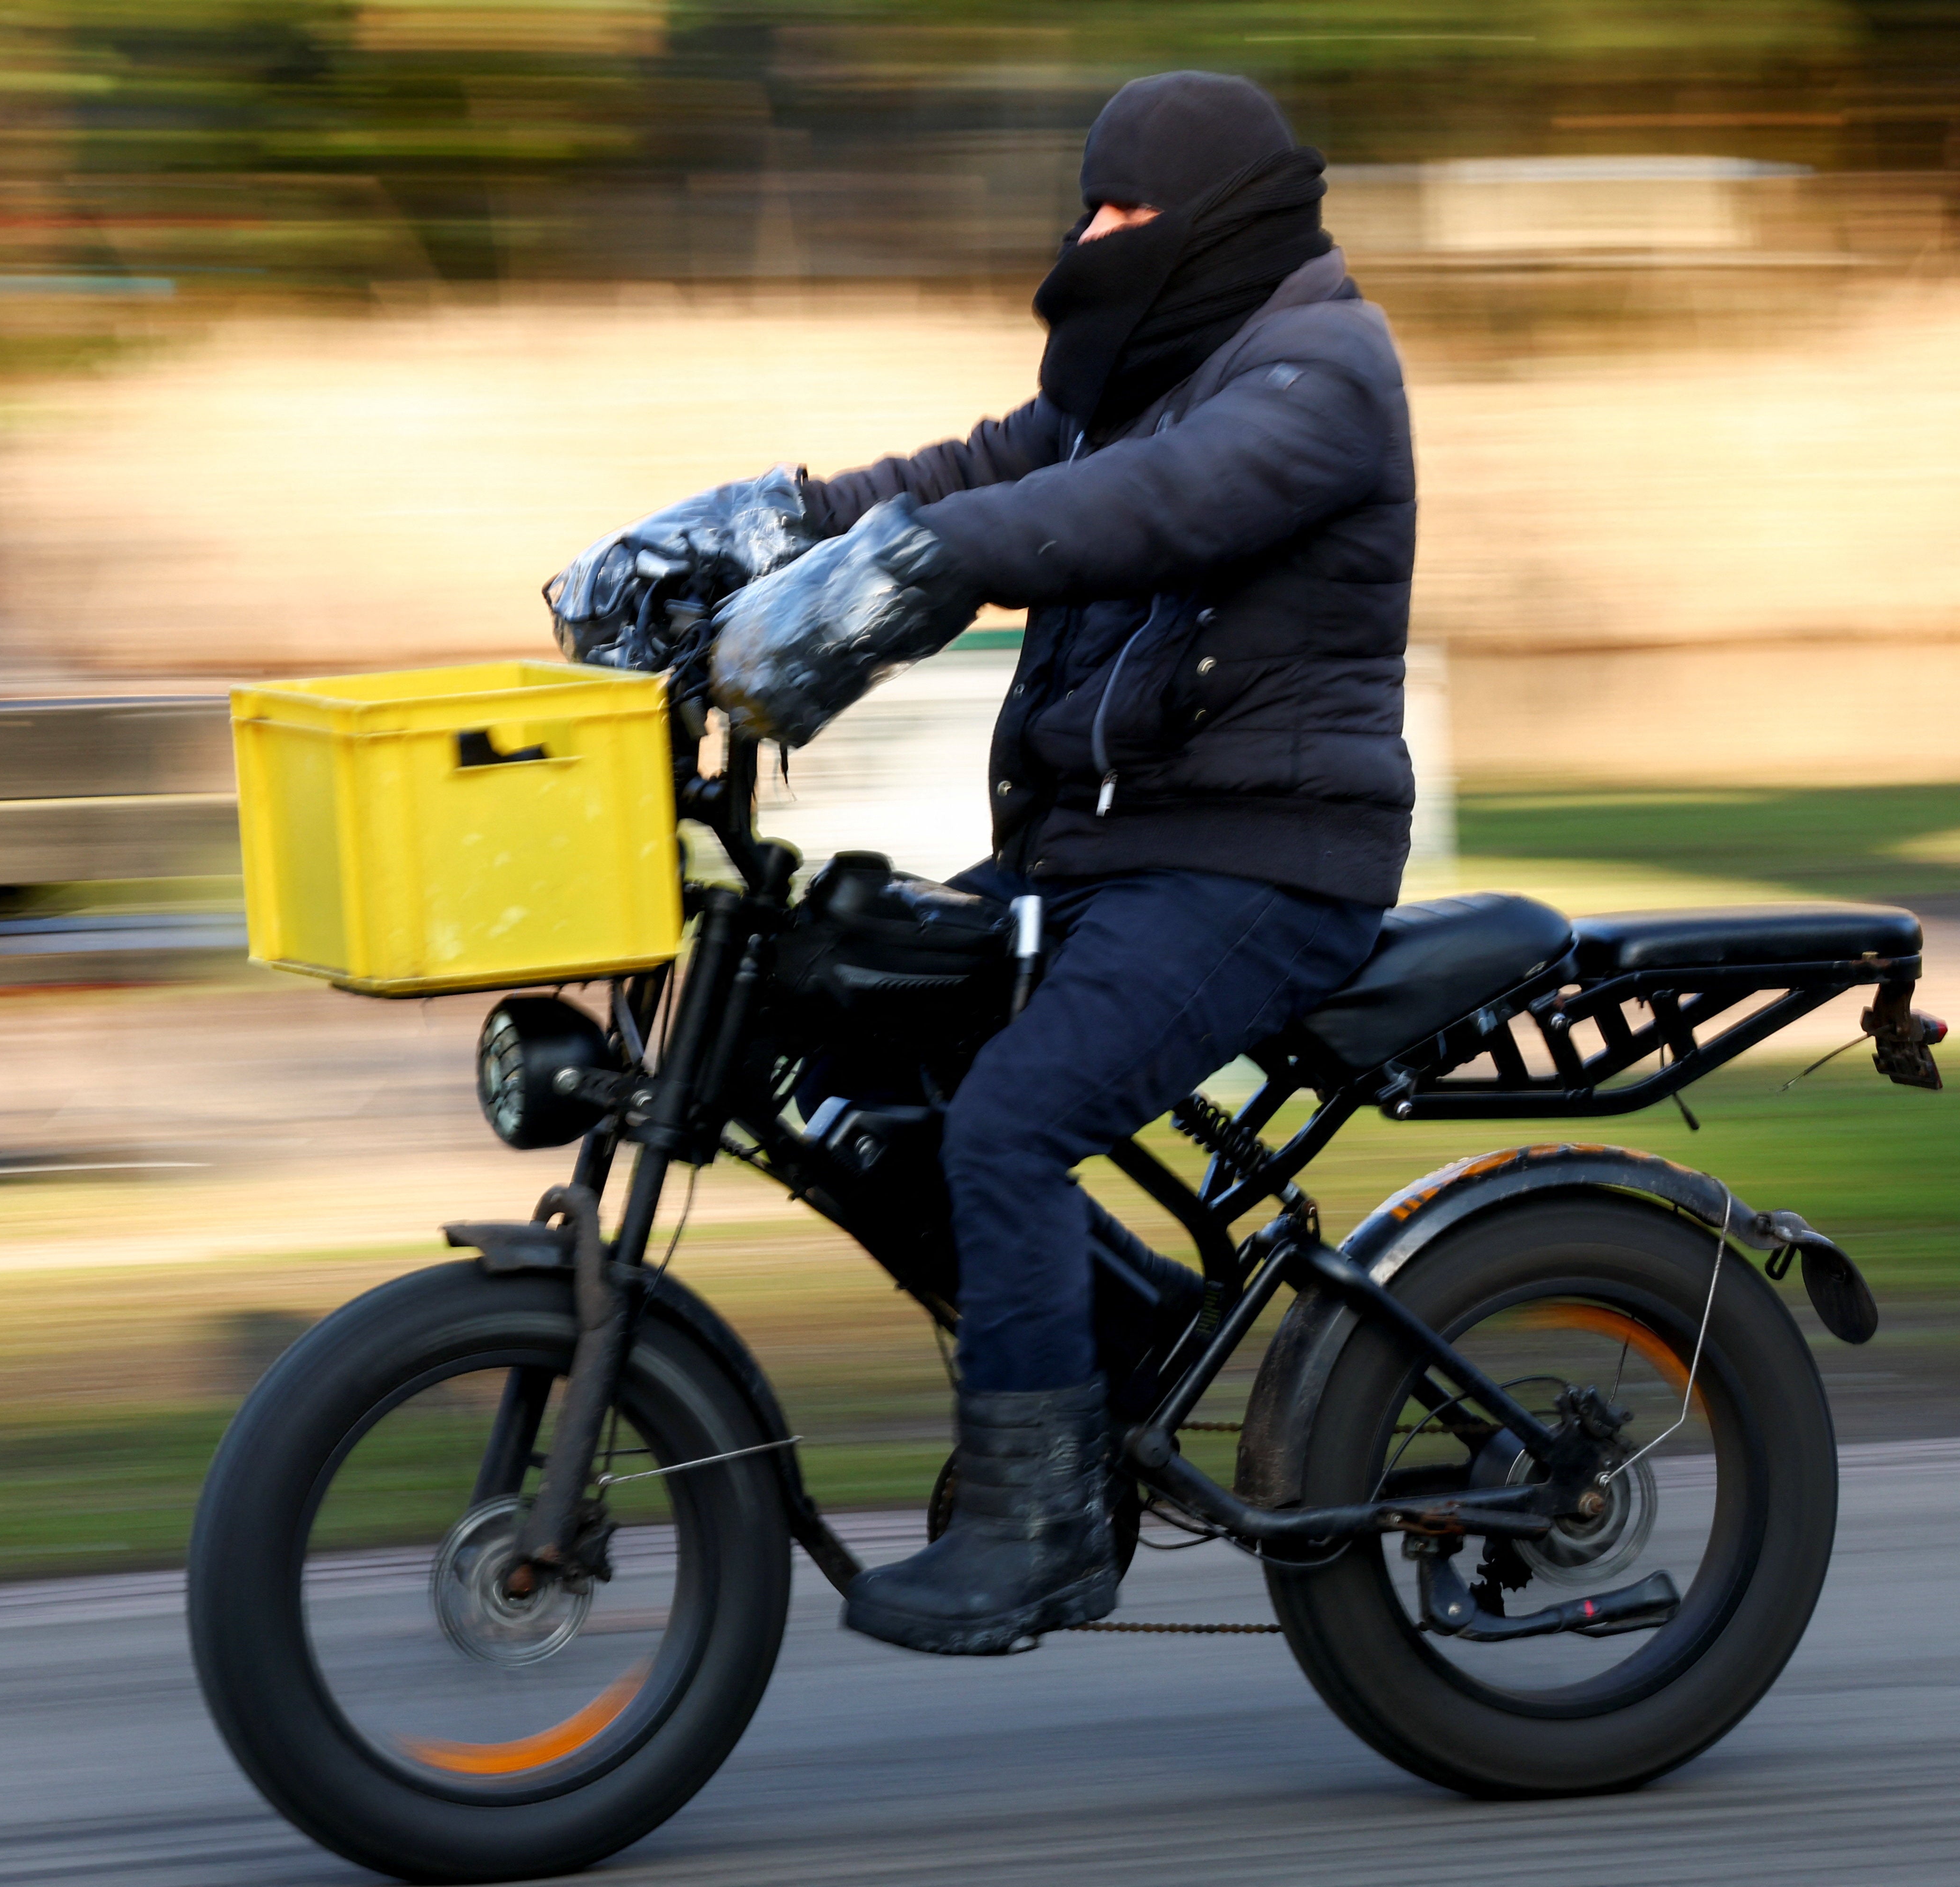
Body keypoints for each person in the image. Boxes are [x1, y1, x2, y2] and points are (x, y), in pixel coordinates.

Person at [546, 71, 1415, 1655]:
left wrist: (909, 573)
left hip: (1261, 866)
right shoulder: (1131, 379)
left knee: (1010, 1126)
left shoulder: (1319, 371)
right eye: (1085, 204)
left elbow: (1141, 509)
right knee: (847, 1030)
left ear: (1219, 217)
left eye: (1126, 209)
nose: (1090, 235)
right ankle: (1120, 1338)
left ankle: (1046, 1527)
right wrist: (757, 528)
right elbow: (959, 478)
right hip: (1099, 854)